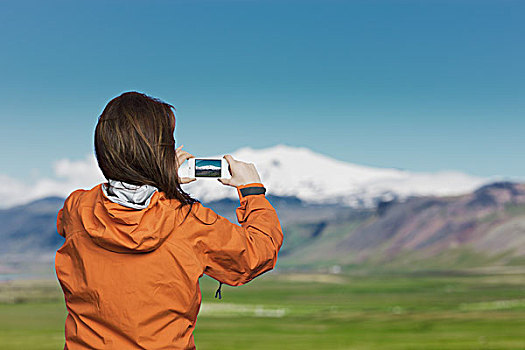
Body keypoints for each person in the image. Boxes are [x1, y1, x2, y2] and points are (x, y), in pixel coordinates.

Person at [54, 91, 284, 349]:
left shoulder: (77, 209)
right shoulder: (189, 222)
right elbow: (258, 253)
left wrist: (159, 180)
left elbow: (83, 219)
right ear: (160, 152)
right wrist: (252, 191)